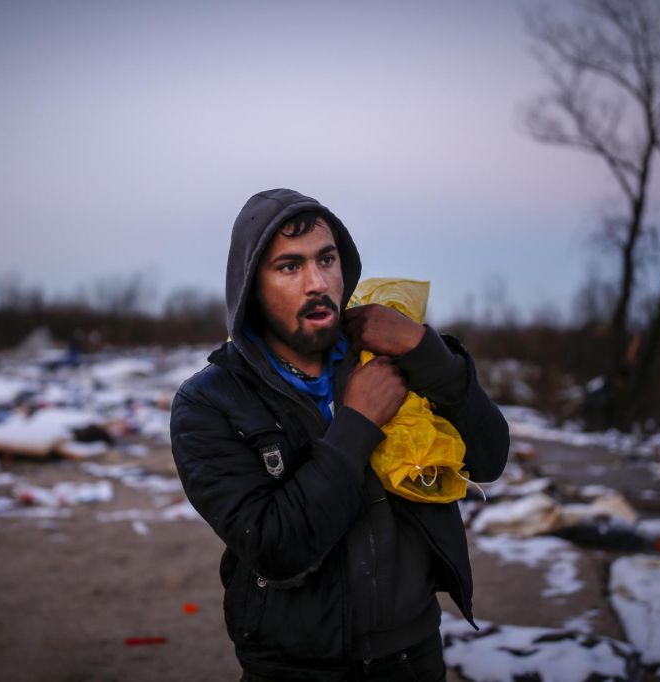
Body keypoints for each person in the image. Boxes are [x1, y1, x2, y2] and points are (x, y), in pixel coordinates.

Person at [170, 188, 509, 681]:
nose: (317, 282)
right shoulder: (211, 402)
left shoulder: (390, 360)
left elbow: (489, 459)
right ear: (250, 287)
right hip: (294, 669)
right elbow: (276, 548)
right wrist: (357, 424)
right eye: (289, 266)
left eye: (326, 259)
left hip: (413, 657)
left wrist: (427, 351)